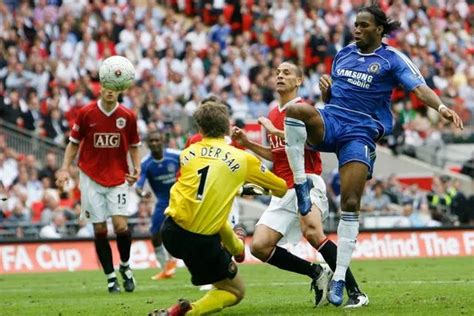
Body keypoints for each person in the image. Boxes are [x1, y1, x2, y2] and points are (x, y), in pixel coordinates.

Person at [283, 5, 464, 307]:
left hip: (361, 131)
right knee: (295, 110)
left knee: (350, 203)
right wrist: (326, 94)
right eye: (356, 24)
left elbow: (418, 88)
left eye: (364, 25)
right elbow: (335, 96)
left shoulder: (392, 59)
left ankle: (339, 277)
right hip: (333, 120)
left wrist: (442, 108)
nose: (357, 29)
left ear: (379, 29)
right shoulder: (343, 54)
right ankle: (301, 184)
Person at [232, 61, 367, 308]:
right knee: (260, 247)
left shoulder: (305, 109)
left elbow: (311, 143)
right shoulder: (273, 113)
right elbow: (276, 154)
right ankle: (316, 273)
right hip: (284, 188)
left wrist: (275, 130)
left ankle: (355, 292)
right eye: (277, 73)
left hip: (307, 181)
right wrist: (247, 143)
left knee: (313, 232)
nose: (280, 76)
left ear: (299, 81)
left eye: (287, 73)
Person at [149, 98, 288, 316]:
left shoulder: (188, 154)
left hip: (171, 232)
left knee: (214, 217)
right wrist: (251, 186)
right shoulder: (242, 159)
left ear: (200, 129)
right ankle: (186, 312)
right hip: (201, 241)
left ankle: (237, 249)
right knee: (235, 291)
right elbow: (281, 188)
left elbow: (208, 186)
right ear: (227, 127)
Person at [56, 71, 141, 293]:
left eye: (115, 86)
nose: (110, 90)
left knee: (121, 227)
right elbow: (73, 143)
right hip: (91, 177)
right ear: (100, 89)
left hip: (118, 176)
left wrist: (137, 168)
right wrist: (65, 168)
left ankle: (124, 266)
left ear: (119, 89)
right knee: (100, 228)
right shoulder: (86, 113)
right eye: (107, 86)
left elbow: (134, 145)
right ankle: (110, 277)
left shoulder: (128, 116)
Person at [136, 131, 180, 280]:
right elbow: (139, 186)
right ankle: (166, 268)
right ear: (148, 144)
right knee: (155, 234)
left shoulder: (176, 155)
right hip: (162, 201)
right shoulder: (146, 163)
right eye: (152, 141)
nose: (154, 143)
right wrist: (142, 194)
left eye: (157, 140)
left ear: (162, 141)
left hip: (182, 199)